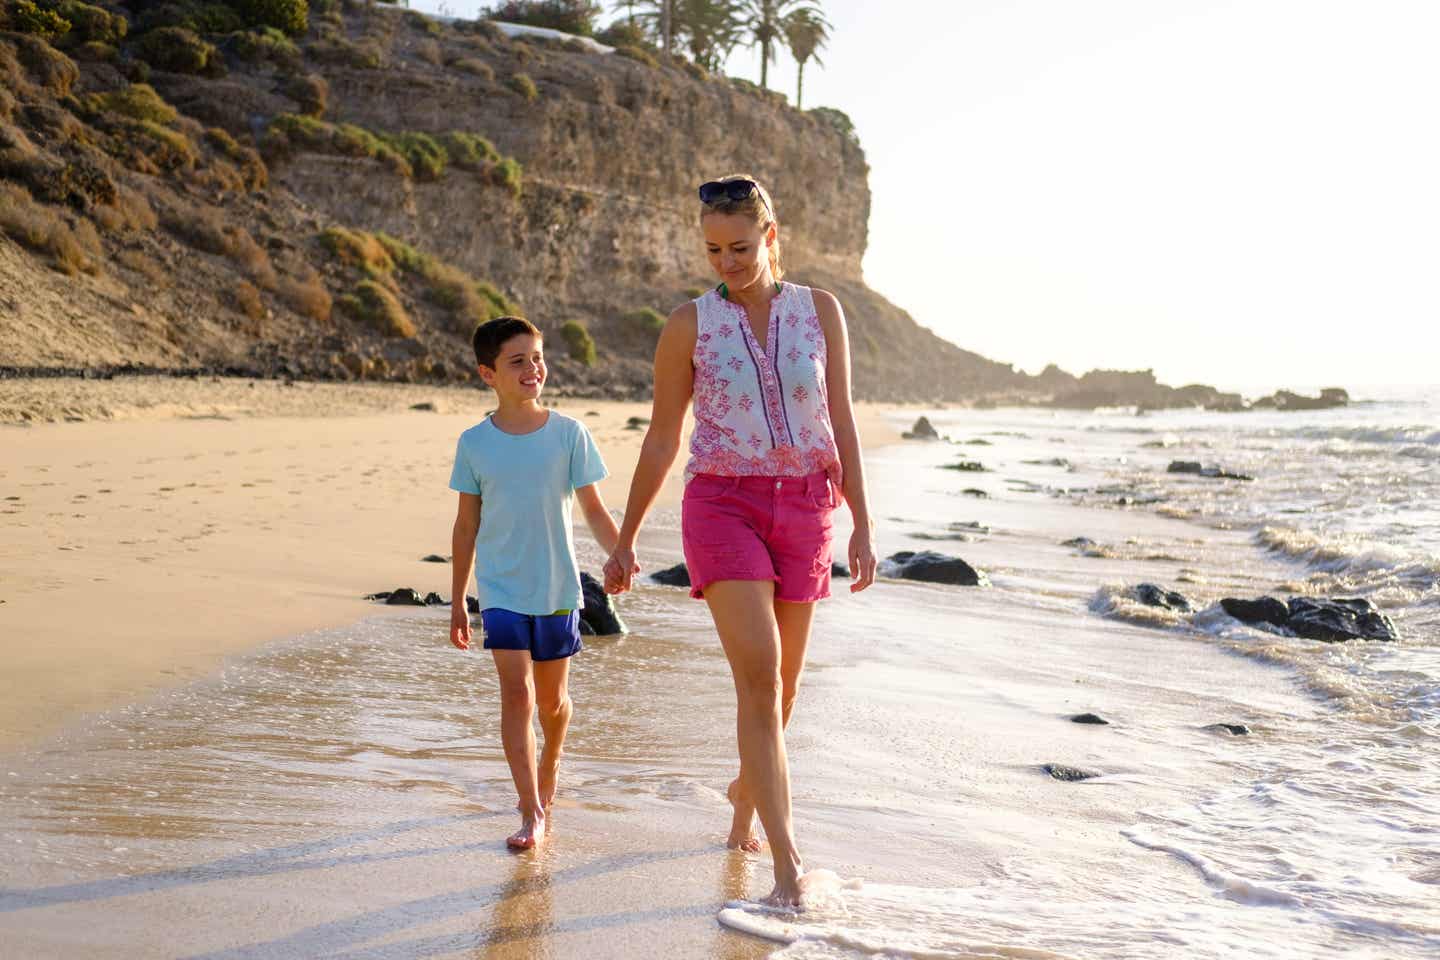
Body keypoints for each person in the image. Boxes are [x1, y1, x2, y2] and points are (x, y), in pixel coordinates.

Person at [603, 174, 878, 906]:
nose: (726, 261)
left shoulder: (821, 311)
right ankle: (787, 868)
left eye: (740, 247)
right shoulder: (687, 325)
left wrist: (863, 522)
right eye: (714, 249)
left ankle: (745, 788)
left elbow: (841, 419)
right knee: (758, 678)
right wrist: (626, 537)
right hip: (721, 504)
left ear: (771, 236)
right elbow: (663, 439)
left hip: (808, 506)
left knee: (783, 689)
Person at [448, 315, 620, 850]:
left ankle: (553, 756)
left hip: (557, 589)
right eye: (517, 361)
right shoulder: (475, 443)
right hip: (500, 589)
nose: (532, 369)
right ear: (488, 374)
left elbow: (592, 507)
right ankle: (530, 810)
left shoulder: (569, 434)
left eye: (537, 358)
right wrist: (457, 600)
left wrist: (620, 552)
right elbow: (466, 523)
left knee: (551, 703)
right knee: (517, 696)